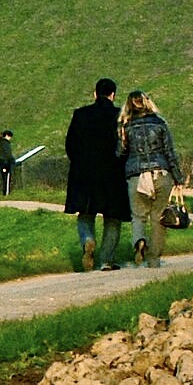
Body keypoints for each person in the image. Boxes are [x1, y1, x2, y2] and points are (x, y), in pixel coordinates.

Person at [65, 77, 131, 272]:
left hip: (84, 174)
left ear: (95, 94)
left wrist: (79, 163)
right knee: (112, 218)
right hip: (113, 174)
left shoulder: (80, 114)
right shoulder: (120, 115)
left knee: (85, 214)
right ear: (113, 95)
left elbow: (70, 145)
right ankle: (107, 260)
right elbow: (125, 145)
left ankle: (88, 240)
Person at [120, 90, 182, 268]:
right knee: (158, 217)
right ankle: (154, 259)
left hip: (136, 175)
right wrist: (177, 176)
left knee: (138, 216)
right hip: (161, 172)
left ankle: (139, 241)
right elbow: (169, 151)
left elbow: (121, 152)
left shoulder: (126, 125)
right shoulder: (160, 123)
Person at [0, 129, 16, 195]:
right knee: (7, 178)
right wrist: (12, 160)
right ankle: (6, 193)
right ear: (7, 136)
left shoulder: (0, 142)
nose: (10, 139)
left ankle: (5, 192)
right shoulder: (5, 143)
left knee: (4, 178)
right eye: (10, 137)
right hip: (6, 163)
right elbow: (8, 154)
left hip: (2, 163)